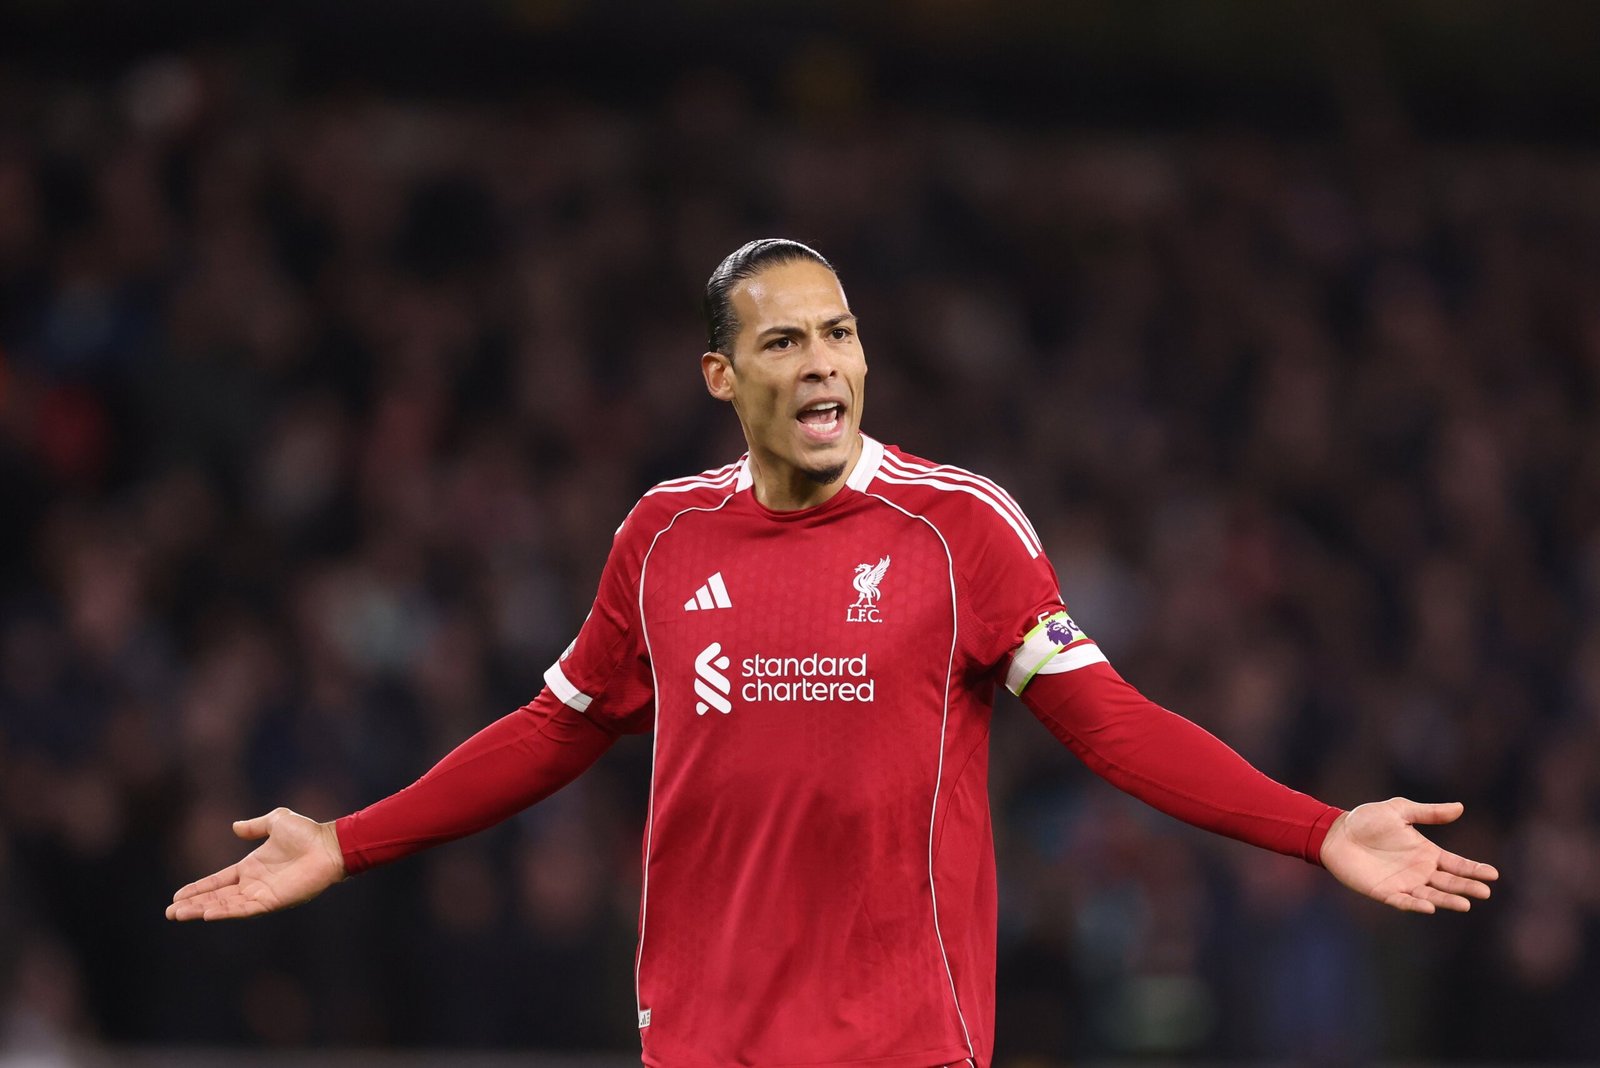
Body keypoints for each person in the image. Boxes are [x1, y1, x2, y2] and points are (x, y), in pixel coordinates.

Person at [169, 238, 1499, 1067]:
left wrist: (1315, 829)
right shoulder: (660, 535)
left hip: (900, 1042)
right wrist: (347, 842)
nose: (823, 364)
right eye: (784, 340)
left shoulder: (959, 528)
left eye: (841, 333)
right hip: (702, 1041)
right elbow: (555, 728)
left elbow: (1114, 724)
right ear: (721, 377)